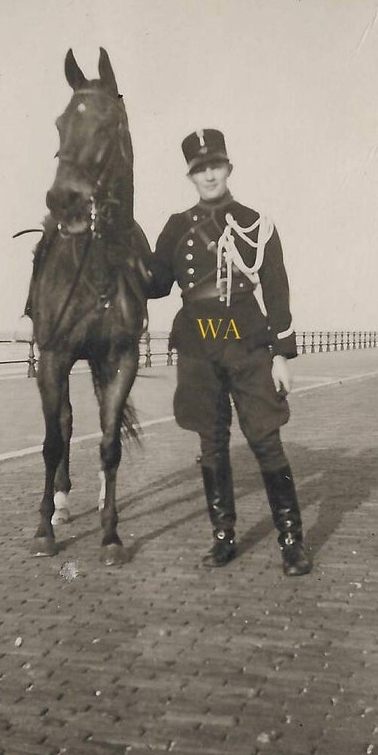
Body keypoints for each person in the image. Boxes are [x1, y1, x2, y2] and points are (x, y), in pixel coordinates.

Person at [146, 129, 311, 576]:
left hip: (246, 340)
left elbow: (276, 288)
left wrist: (281, 354)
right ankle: (223, 537)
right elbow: (157, 284)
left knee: (264, 439)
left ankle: (292, 540)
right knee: (212, 443)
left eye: (215, 166)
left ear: (228, 169)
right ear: (191, 176)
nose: (209, 175)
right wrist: (128, 248)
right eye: (200, 169)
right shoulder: (176, 226)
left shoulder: (254, 222)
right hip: (198, 344)